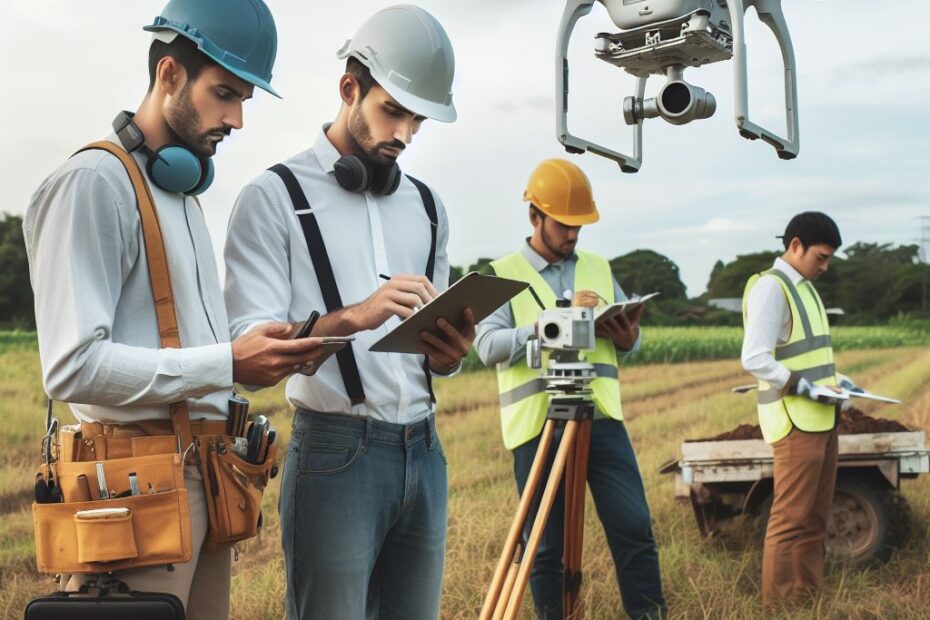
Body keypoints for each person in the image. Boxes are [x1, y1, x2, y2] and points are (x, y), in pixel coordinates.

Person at [23, 1, 330, 616]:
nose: (237, 118)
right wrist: (225, 362)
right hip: (137, 491)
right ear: (168, 76)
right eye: (224, 94)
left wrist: (249, 353)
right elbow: (71, 367)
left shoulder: (182, 193)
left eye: (244, 99)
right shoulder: (92, 183)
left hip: (201, 478)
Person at [223, 6, 474, 619]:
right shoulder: (272, 197)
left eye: (418, 119)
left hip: (425, 446)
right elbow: (246, 345)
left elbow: (430, 349)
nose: (406, 134)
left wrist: (448, 357)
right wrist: (351, 318)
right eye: (393, 110)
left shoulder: (427, 205)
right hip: (336, 454)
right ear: (348, 88)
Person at [475, 159, 666, 620]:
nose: (574, 234)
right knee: (545, 545)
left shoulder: (599, 267)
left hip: (599, 418)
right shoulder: (500, 275)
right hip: (538, 425)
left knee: (634, 527)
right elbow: (485, 347)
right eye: (564, 224)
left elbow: (630, 339)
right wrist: (542, 328)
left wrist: (628, 338)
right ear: (534, 216)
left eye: (580, 224)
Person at [741, 211, 844, 607]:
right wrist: (803, 386)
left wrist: (838, 385)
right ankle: (779, 607)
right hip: (794, 419)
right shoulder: (772, 288)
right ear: (795, 245)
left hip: (822, 415)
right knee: (790, 520)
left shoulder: (806, 288)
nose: (825, 265)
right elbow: (754, 357)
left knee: (816, 518)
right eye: (821, 256)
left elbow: (810, 354)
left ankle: (808, 600)